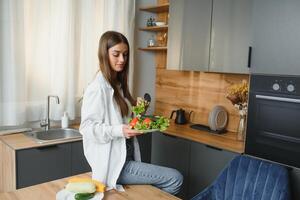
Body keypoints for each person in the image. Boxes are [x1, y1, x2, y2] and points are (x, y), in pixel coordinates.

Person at [79, 31, 183, 195]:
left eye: (125, 55)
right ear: (104, 54)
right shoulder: (97, 88)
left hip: (126, 159)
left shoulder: (118, 85)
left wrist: (139, 111)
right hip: (116, 165)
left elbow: (125, 122)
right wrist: (119, 130)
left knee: (159, 185)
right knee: (175, 178)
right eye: (116, 54)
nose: (122, 60)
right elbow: (86, 128)